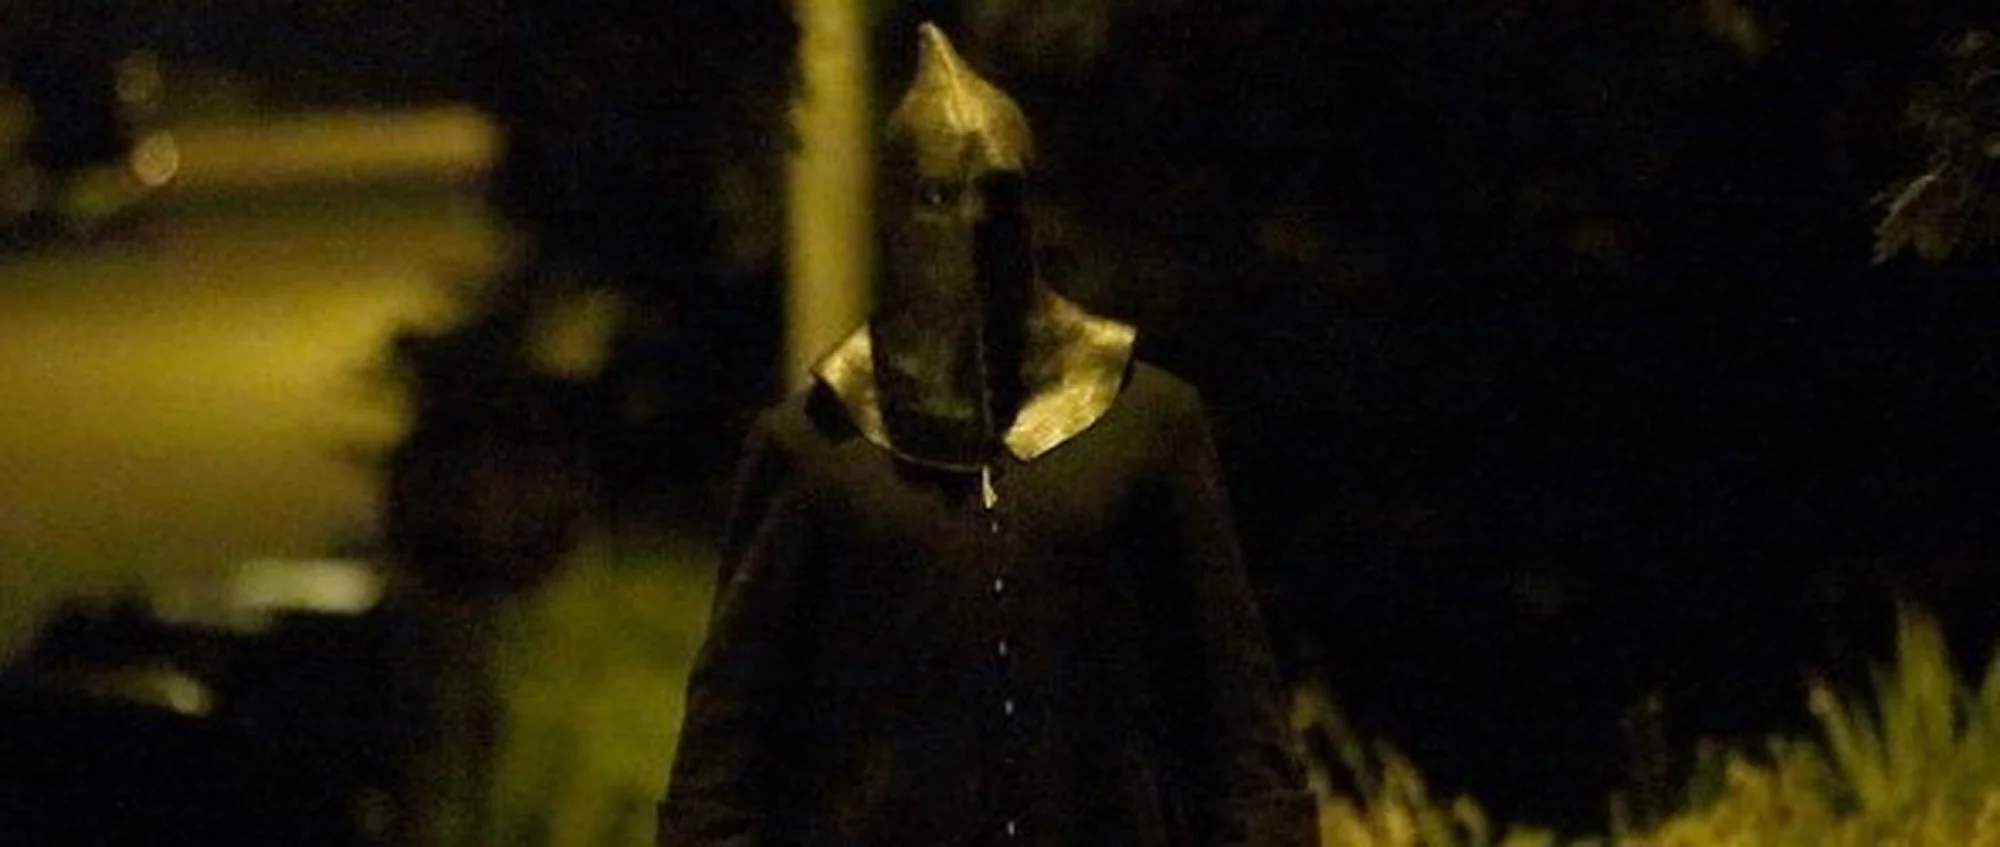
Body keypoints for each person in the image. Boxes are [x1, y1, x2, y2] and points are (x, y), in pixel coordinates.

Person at [658, 23, 1317, 845]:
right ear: (897, 213)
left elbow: (1238, 736)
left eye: (997, 195)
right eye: (940, 196)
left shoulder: (1146, 426)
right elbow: (725, 765)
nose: (973, 223)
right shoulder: (816, 450)